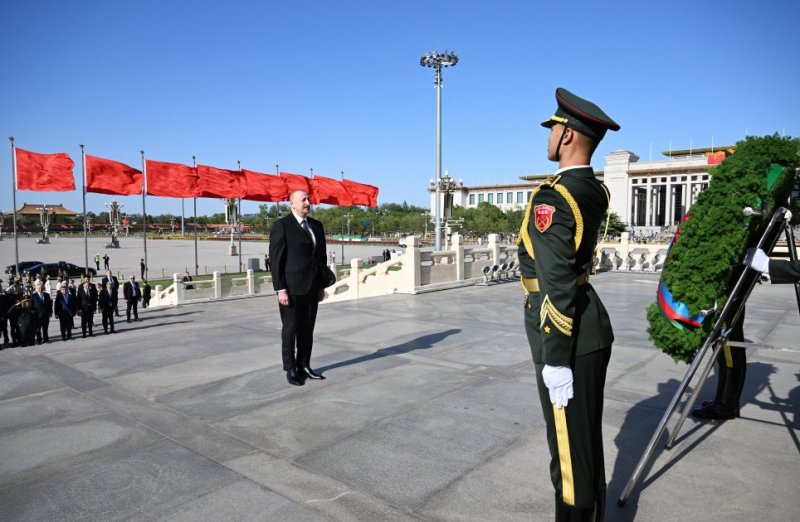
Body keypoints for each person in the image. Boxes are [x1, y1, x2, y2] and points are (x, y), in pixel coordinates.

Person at [517, 88, 619, 521]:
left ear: (569, 137)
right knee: (584, 438)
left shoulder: (552, 196)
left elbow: (557, 283)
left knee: (568, 451)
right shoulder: (593, 190)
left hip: (567, 333)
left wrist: (555, 358)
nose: (549, 134)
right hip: (590, 320)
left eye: (554, 128)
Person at [693, 248, 800, 420]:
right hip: (735, 285)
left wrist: (769, 265)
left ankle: (725, 405)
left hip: (730, 287)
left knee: (727, 350)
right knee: (727, 349)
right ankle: (726, 401)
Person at [269, 189, 328, 386]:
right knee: (290, 329)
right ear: (292, 204)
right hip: (291, 288)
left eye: (308, 199)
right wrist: (280, 289)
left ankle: (304, 365)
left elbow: (321, 259)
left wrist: (321, 286)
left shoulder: (316, 226)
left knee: (307, 329)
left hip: (312, 286)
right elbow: (276, 260)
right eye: (303, 200)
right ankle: (290, 368)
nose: (307, 202)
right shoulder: (282, 226)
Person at [0, 281, 10, 347]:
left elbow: (6, 306)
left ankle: (6, 341)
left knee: (4, 329)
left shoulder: (3, 295)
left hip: (3, 315)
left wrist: (4, 315)